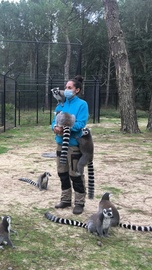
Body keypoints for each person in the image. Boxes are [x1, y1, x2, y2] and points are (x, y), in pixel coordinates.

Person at [51, 75, 89, 215]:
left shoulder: (82, 105)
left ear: (77, 90)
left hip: (74, 144)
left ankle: (79, 202)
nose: (65, 90)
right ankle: (65, 199)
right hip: (60, 143)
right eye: (65, 87)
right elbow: (53, 121)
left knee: (75, 174)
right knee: (62, 172)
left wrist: (66, 127)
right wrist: (55, 127)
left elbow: (80, 124)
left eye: (69, 87)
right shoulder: (61, 103)